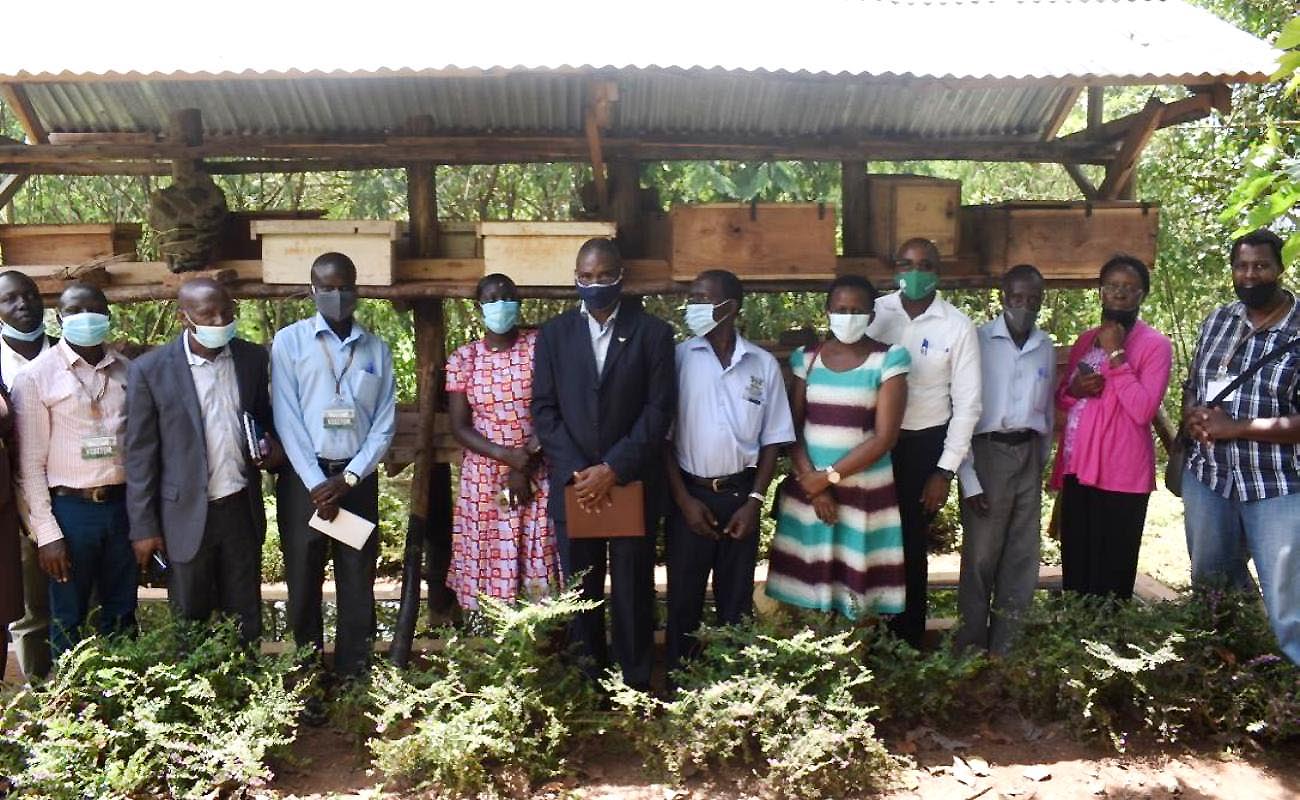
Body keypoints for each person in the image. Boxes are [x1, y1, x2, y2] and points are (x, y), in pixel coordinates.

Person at [532, 238, 675, 690]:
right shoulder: (554, 335)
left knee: (633, 588)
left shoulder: (653, 333)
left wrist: (613, 468)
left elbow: (659, 410)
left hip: (630, 481)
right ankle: (587, 684)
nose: (594, 284)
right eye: (586, 276)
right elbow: (543, 410)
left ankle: (634, 684)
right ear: (576, 277)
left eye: (604, 275)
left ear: (621, 277)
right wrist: (580, 470)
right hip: (574, 486)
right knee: (581, 590)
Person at [125, 278, 283, 643]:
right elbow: (140, 454)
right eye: (207, 315)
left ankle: (247, 691)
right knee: (190, 620)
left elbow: (261, 419)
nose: (219, 321)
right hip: (184, 514)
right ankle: (198, 694)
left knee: (245, 615)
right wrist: (144, 527)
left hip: (240, 509)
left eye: (226, 312)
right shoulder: (150, 370)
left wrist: (267, 446)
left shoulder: (251, 359)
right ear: (184, 318)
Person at [271, 252, 396, 678]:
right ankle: (305, 675)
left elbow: (384, 425)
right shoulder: (289, 343)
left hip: (355, 481)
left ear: (357, 288)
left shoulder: (376, 350)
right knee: (302, 581)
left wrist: (347, 478)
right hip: (303, 483)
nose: (336, 295)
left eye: (344, 286)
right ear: (312, 290)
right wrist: (315, 483)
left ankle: (354, 676)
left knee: (357, 580)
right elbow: (286, 417)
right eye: (326, 287)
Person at [665, 269, 794, 671]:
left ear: (730, 307)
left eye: (704, 298)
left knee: (736, 599)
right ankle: (678, 681)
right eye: (693, 297)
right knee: (684, 597)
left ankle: (735, 684)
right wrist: (684, 501)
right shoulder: (678, 359)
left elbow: (774, 438)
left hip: (741, 497)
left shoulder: (762, 365)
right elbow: (662, 440)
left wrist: (755, 500)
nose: (694, 306)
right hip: (690, 495)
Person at [1181, 229, 1300, 664]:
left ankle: (1292, 688)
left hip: (1277, 485)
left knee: (1287, 593)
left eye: (1261, 266)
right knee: (1212, 580)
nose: (1250, 275)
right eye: (1242, 266)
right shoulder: (1218, 321)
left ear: (1279, 269)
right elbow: (1195, 385)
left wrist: (1237, 427)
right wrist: (1193, 414)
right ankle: (1225, 666)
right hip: (1210, 478)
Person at [767, 275, 909, 619]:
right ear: (827, 311)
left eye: (857, 310)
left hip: (864, 496)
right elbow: (793, 428)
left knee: (857, 594)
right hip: (811, 495)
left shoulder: (890, 360)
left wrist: (828, 477)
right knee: (806, 589)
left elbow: (885, 437)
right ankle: (808, 662)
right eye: (841, 309)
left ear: (871, 316)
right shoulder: (807, 359)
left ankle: (851, 665)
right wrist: (814, 487)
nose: (848, 316)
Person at [866, 238, 980, 647]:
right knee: (870, 539)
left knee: (911, 545)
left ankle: (907, 643)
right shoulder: (874, 313)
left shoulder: (957, 326)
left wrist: (943, 471)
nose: (915, 272)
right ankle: (866, 639)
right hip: (871, 446)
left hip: (924, 446)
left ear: (938, 271)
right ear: (894, 266)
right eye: (906, 263)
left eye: (925, 264)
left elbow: (968, 405)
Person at [13, 283, 134, 662]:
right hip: (70, 511)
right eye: (75, 311)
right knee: (68, 613)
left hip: (121, 506)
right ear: (60, 318)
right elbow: (30, 463)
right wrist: (47, 534)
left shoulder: (128, 371)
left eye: (94, 309)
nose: (85, 318)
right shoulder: (35, 377)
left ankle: (124, 698)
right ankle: (72, 702)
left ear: (108, 314)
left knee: (122, 609)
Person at [1050, 255, 1171, 599]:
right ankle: (1076, 644)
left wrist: (1117, 355)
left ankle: (1109, 646)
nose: (1120, 294)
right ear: (1101, 292)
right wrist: (1074, 390)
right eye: (1113, 286)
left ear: (1142, 296)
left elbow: (1142, 410)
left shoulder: (1155, 345)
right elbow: (1065, 399)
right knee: (1076, 567)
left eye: (1130, 288)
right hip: (1078, 468)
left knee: (1111, 574)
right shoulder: (1085, 340)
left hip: (1121, 473)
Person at [955, 265, 1054, 654]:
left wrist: (1039, 462)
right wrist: (969, 478)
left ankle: (1007, 651)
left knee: (1021, 557)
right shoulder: (977, 341)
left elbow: (1045, 411)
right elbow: (960, 410)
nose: (1024, 306)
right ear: (1002, 297)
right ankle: (970, 648)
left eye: (1033, 300)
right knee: (981, 558)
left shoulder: (1044, 345)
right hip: (986, 454)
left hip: (1027, 453)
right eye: (1017, 298)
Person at [445, 273, 557, 611]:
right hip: (484, 478)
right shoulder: (464, 359)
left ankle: (543, 644)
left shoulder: (540, 347)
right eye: (492, 299)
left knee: (539, 556)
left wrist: (526, 461)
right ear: (479, 307)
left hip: (538, 470)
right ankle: (499, 651)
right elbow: (460, 427)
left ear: (519, 302)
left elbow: (556, 406)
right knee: (489, 564)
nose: (500, 304)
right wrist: (507, 457)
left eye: (507, 297)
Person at [0, 270, 53, 680]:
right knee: (30, 607)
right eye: (10, 299)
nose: (23, 304)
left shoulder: (68, 352)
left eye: (30, 295)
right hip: (12, 504)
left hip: (70, 492)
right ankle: (41, 695)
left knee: (82, 600)